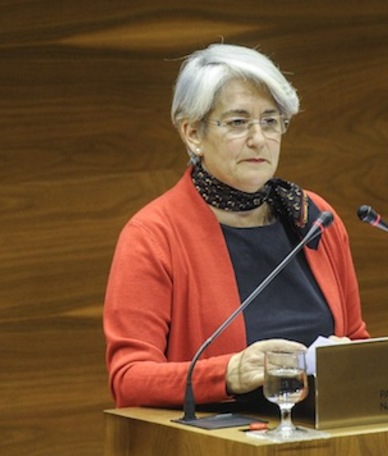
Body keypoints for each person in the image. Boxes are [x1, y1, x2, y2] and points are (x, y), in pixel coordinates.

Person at [103, 43, 369, 409]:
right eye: (238, 122)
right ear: (193, 134)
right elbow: (129, 380)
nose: (258, 139)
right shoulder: (154, 235)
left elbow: (355, 337)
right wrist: (229, 372)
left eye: (271, 121)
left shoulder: (312, 216)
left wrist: (352, 358)